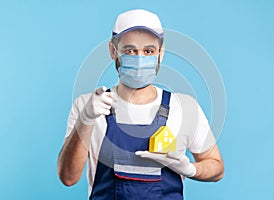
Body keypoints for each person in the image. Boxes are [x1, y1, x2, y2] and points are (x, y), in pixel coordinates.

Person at [57, 9, 224, 200]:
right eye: (129, 50)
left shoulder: (185, 107)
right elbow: (68, 177)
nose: (139, 58)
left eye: (148, 51)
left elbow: (217, 167)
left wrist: (189, 168)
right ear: (113, 51)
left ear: (160, 53)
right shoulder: (89, 106)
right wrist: (85, 120)